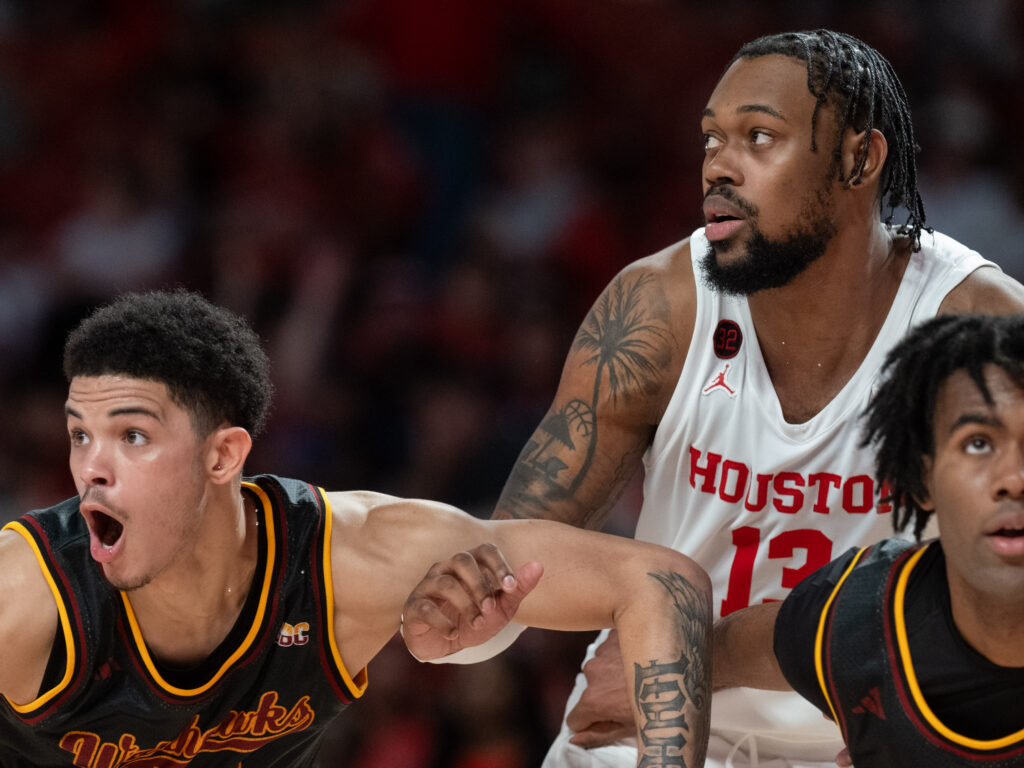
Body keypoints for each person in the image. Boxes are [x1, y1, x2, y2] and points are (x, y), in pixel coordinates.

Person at [402, 28, 1024, 768]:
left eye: (759, 137)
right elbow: (524, 546)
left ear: (861, 158)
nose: (720, 167)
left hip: (866, 736)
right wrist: (480, 614)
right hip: (648, 715)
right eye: (710, 140)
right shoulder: (657, 307)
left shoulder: (978, 329)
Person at [0, 289, 714, 767]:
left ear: (223, 456)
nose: (91, 467)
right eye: (79, 436)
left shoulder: (355, 558)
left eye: (131, 436)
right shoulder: (25, 593)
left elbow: (661, 581)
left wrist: (478, 641)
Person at [713, 312, 1024, 766]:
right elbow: (722, 651)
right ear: (922, 481)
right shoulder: (850, 618)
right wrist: (658, 674)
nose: (1013, 479)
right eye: (977, 442)